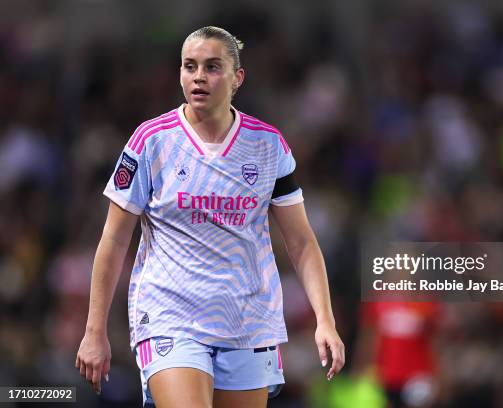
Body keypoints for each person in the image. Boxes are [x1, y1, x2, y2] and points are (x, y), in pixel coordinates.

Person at [75, 26, 345, 408]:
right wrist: (94, 330)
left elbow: (301, 242)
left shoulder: (268, 145)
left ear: (238, 78)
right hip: (171, 317)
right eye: (189, 66)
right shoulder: (151, 141)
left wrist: (325, 319)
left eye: (212, 66)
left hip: (248, 322)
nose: (198, 76)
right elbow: (114, 239)